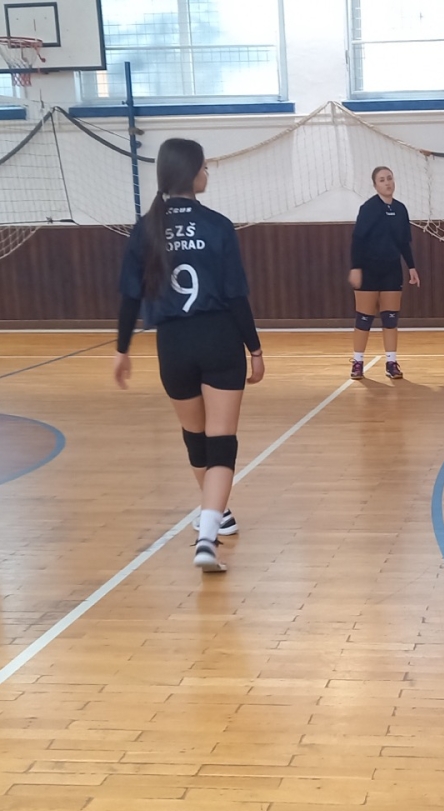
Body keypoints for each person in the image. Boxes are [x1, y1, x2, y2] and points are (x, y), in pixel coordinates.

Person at [114, 137, 265, 573]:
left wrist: (122, 350)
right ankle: (207, 536)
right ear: (191, 172)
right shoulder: (217, 225)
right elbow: (235, 296)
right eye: (204, 166)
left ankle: (218, 515)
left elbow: (130, 296)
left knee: (196, 439)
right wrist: (255, 348)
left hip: (172, 345)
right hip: (219, 339)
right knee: (222, 443)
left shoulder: (145, 228)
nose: (207, 173)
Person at [348, 166, 420, 380]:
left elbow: (404, 242)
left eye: (389, 178)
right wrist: (356, 268)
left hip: (391, 271)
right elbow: (357, 239)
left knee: (390, 318)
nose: (387, 183)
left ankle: (391, 362)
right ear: (375, 185)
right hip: (369, 270)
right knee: (364, 318)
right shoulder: (369, 208)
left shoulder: (400, 209)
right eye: (382, 180)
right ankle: (357, 362)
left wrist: (412, 267)